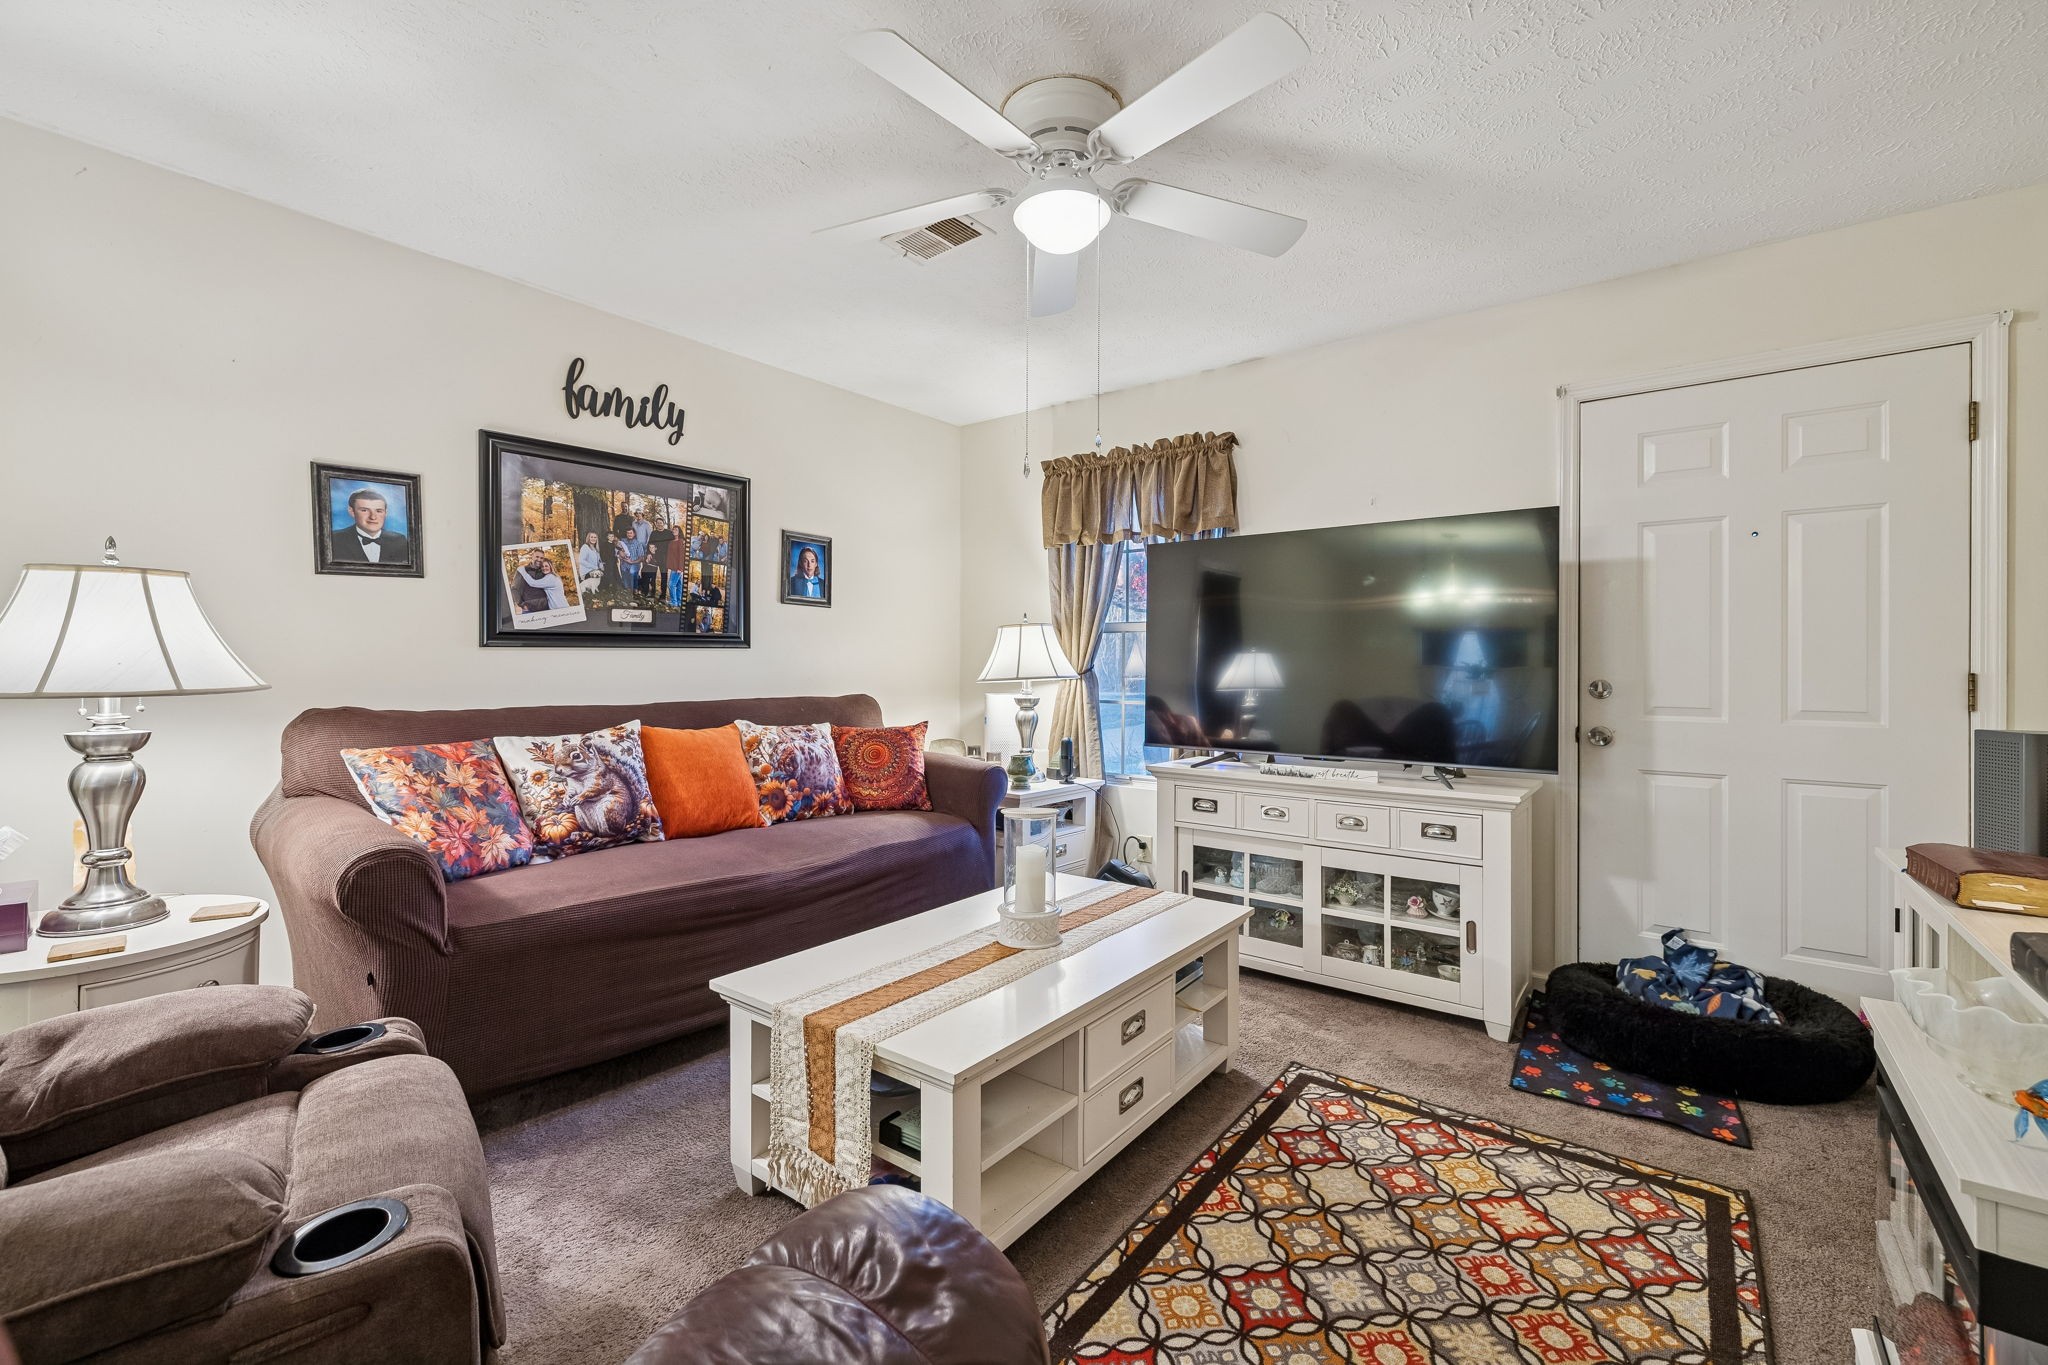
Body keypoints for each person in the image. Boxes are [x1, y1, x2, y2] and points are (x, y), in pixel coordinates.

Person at [329, 488, 410, 565]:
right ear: (352, 511)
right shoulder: (334, 539)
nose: (373, 517)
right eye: (364, 510)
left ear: (386, 513)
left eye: (379, 511)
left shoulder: (399, 540)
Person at [513, 548, 567, 613]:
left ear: (550, 567)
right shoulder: (524, 571)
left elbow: (533, 583)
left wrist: (522, 570)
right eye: (537, 557)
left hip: (549, 608)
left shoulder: (548, 575)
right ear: (532, 556)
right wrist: (521, 604)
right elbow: (514, 589)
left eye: (541, 558)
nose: (539, 559)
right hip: (530, 609)